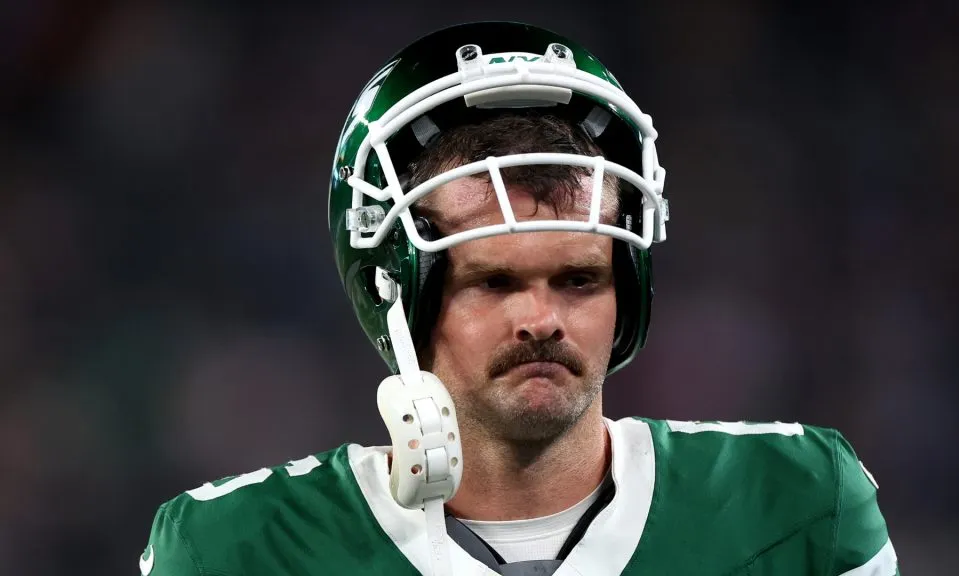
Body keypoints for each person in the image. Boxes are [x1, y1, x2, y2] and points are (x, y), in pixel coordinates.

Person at [139, 22, 898, 576]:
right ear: (396, 289)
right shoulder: (234, 551)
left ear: (627, 290)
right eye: (493, 282)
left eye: (578, 279)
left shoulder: (799, 507)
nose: (541, 319)